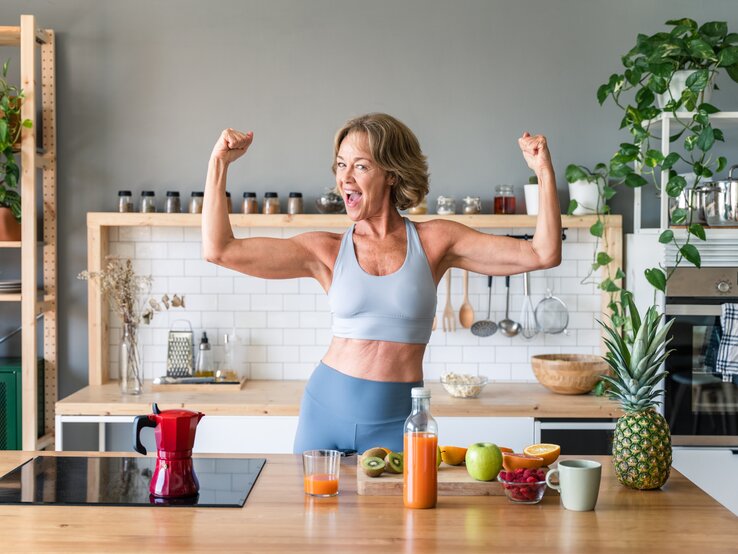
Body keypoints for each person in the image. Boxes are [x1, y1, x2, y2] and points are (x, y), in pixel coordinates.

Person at [202, 113, 561, 454]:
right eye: (341, 165)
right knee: (312, 517)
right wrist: (219, 164)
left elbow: (542, 253)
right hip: (324, 412)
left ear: (391, 174)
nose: (345, 177)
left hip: (397, 423)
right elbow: (220, 249)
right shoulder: (325, 250)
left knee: (400, 519)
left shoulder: (436, 241)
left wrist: (543, 172)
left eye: (360, 165)